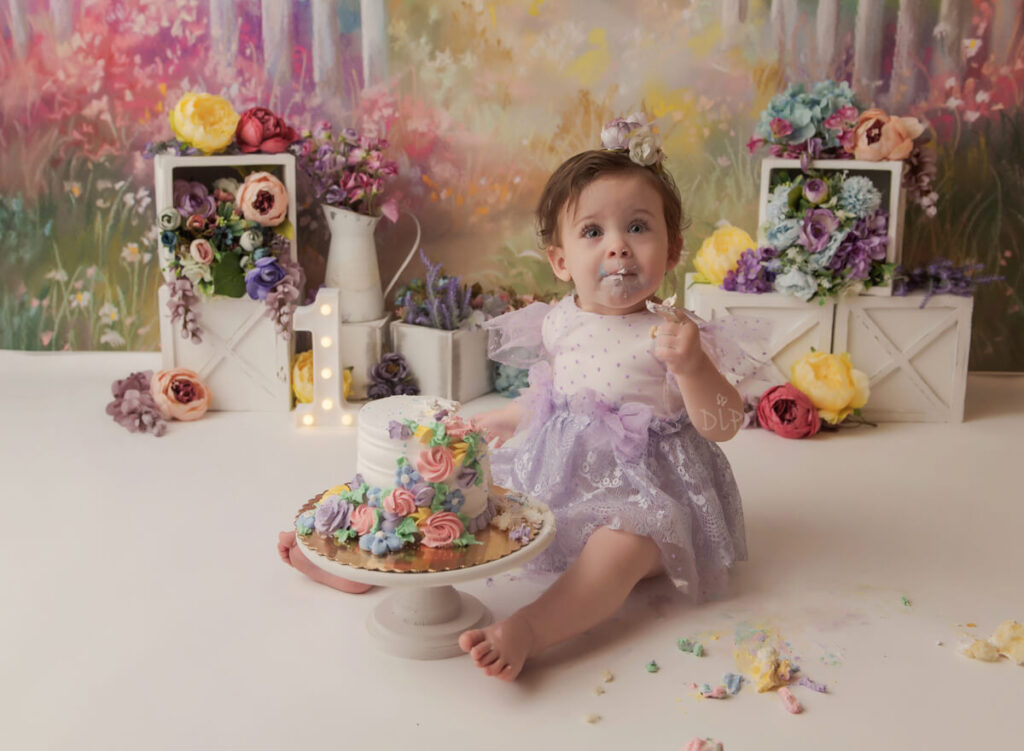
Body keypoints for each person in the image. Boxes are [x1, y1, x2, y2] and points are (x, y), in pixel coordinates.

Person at [457, 115, 749, 680]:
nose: (618, 247)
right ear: (561, 261)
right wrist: (511, 417)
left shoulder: (671, 331)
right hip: (563, 474)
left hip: (650, 495)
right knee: (469, 490)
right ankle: (380, 565)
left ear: (672, 249)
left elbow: (723, 423)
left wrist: (691, 367)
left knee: (615, 554)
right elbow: (557, 392)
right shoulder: (559, 321)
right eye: (593, 232)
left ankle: (531, 629)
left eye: (638, 228)